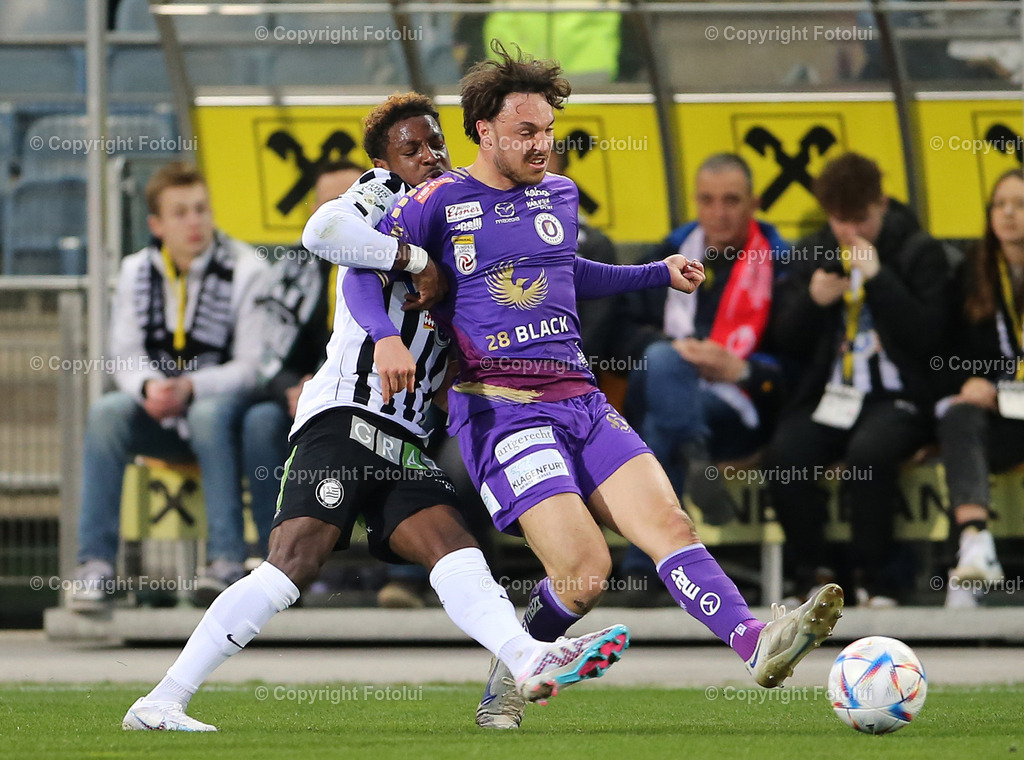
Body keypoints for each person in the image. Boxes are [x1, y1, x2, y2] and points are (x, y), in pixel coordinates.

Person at [351, 42, 844, 731]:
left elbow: (565, 269)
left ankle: (754, 642)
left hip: (580, 398)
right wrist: (384, 336)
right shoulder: (436, 201)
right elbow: (359, 268)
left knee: (669, 524)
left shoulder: (558, 193)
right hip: (501, 407)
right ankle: (512, 673)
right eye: (526, 131)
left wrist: (654, 272)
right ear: (484, 131)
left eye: (549, 131)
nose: (542, 145)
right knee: (585, 571)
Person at [123, 93, 629, 732]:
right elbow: (321, 233)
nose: (428, 155)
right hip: (348, 414)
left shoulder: (459, 207)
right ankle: (163, 699)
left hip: (406, 434)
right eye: (410, 148)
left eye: (434, 142)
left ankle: (526, 657)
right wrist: (415, 262)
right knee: (293, 563)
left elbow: (557, 275)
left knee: (453, 547)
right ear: (383, 163)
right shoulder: (380, 195)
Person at [72, 161, 269, 606]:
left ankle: (225, 562)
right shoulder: (134, 270)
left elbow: (253, 366)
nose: (195, 221)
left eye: (201, 209)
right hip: (159, 413)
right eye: (180, 213)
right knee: (106, 413)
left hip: (223, 413)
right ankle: (95, 566)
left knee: (206, 414)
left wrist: (191, 388)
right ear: (156, 225)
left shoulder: (247, 268)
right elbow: (124, 354)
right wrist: (149, 388)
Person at [763, 152, 951, 607]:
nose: (850, 232)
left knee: (870, 453)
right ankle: (816, 573)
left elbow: (931, 337)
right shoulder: (816, 250)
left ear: (881, 204)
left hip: (898, 397)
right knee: (785, 453)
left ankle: (875, 577)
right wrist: (812, 302)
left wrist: (880, 280)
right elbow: (784, 340)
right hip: (832, 396)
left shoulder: (918, 251)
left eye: (860, 219)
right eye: (839, 220)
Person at [613, 153, 789, 526]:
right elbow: (618, 335)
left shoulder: (784, 267)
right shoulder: (665, 257)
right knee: (662, 359)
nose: (718, 213)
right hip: (659, 390)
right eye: (707, 200)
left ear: (754, 204)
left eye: (731, 200)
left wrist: (744, 371)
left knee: (659, 429)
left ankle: (650, 561)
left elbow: (801, 363)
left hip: (738, 410)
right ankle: (695, 455)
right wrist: (673, 351)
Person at [235, 159, 365, 607]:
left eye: (351, 201)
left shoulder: (395, 259)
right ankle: (273, 562)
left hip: (373, 398)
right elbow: (265, 353)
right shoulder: (293, 266)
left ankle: (401, 575)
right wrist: (292, 387)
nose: (341, 213)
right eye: (330, 204)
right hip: (303, 398)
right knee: (260, 422)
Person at [937, 169, 1024, 608]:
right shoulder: (975, 271)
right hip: (1007, 418)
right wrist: (970, 381)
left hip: (1012, 402)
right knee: (959, 414)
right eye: (1000, 205)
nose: (1008, 214)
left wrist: (1002, 390)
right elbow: (948, 345)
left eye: (1020, 205)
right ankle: (975, 545)